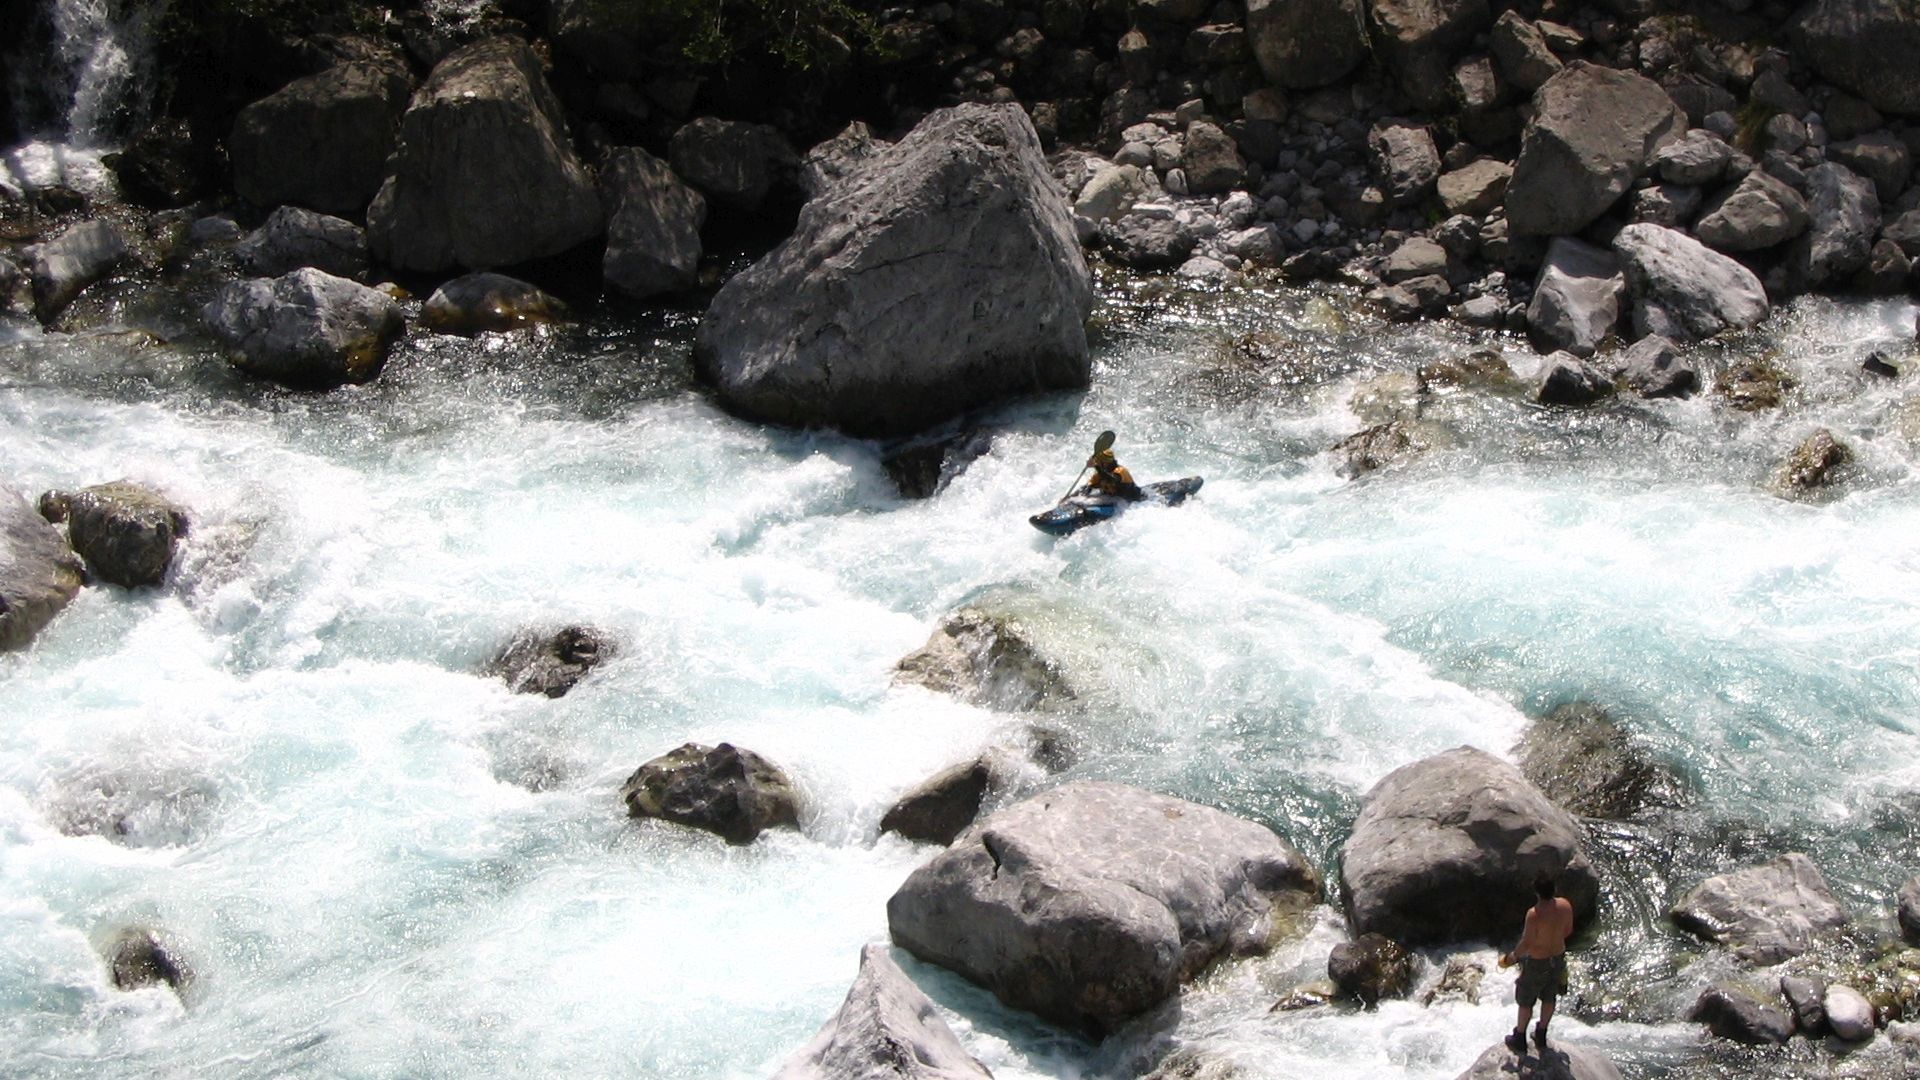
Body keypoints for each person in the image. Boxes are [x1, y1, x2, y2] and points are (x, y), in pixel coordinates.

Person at [1499, 876, 1574, 1054]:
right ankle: (1541, 1033)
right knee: (1549, 996)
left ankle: (1520, 1037)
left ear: (1537, 893)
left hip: (1537, 961)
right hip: (1557, 957)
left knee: (1526, 999)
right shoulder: (1565, 905)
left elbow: (1527, 942)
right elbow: (1568, 930)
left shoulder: (1534, 914)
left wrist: (1512, 957)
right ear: (1554, 889)